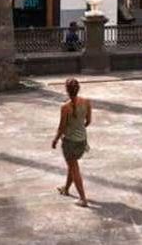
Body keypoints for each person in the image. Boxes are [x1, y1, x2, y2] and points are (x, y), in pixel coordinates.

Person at [53, 77, 93, 206]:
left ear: (66, 90)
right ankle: (66, 188)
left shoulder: (65, 107)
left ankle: (83, 198)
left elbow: (62, 127)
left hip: (70, 142)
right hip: (82, 140)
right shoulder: (87, 102)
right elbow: (88, 121)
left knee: (74, 167)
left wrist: (55, 139)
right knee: (72, 165)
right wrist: (79, 128)